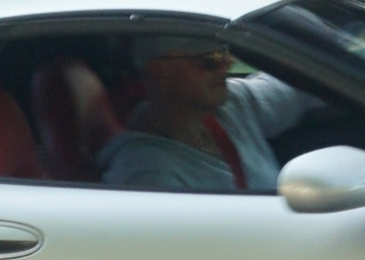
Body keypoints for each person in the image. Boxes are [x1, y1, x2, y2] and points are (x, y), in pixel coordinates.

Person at [99, 33, 315, 193]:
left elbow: (302, 86)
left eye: (225, 55)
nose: (226, 67)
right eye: (210, 61)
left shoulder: (230, 104)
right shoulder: (149, 177)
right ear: (162, 72)